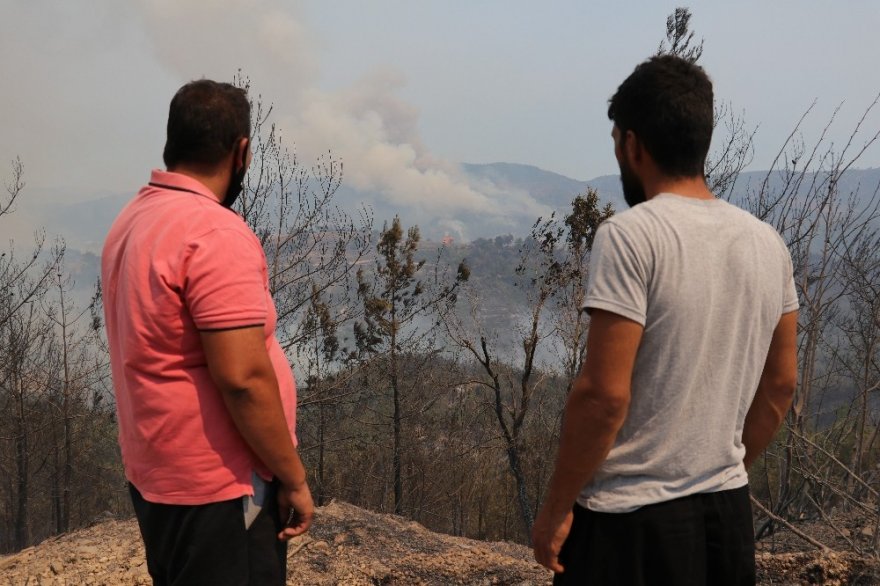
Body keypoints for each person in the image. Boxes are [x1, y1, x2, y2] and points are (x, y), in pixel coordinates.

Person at [532, 55, 799, 585]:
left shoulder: (630, 235)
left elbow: (603, 396)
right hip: (726, 516)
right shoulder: (767, 243)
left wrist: (557, 509)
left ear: (632, 144)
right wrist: (723, 468)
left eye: (616, 144)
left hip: (627, 523)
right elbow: (780, 385)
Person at [102, 79, 313, 585]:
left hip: (160, 474)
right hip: (219, 489)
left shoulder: (135, 217)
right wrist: (293, 476)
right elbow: (243, 378)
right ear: (242, 151)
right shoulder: (214, 233)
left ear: (171, 141)